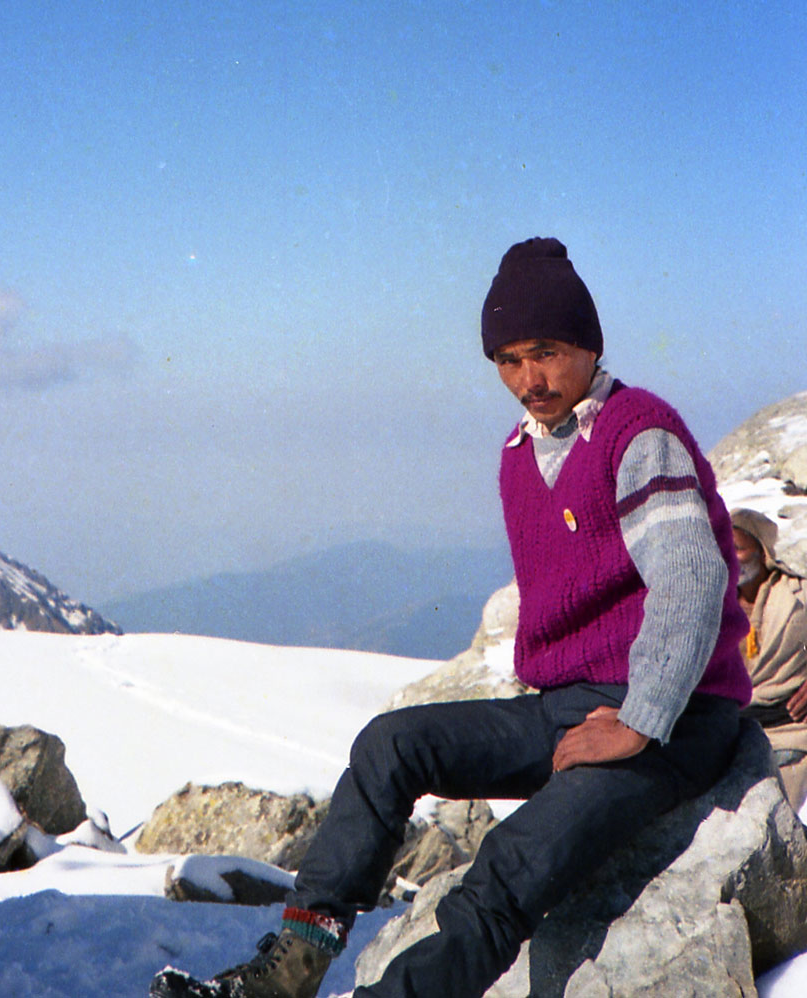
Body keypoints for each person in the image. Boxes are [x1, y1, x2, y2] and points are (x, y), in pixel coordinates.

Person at [149, 237, 752, 998]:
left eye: (545, 352)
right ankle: (292, 968)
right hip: (569, 707)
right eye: (506, 360)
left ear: (588, 345)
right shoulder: (519, 453)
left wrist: (641, 717)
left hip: (675, 720)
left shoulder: (637, 433)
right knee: (389, 745)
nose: (528, 380)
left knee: (510, 865)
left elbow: (692, 580)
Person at [731, 507, 807, 811]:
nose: (727, 554)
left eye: (737, 548)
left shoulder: (798, 596)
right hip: (728, 733)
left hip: (790, 732)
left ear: (762, 552)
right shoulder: (712, 601)